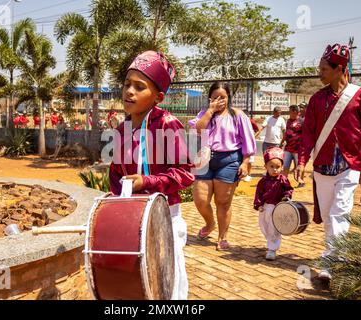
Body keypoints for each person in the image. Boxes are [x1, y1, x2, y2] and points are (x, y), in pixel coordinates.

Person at [109, 51, 194, 300]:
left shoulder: (167, 124)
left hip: (165, 215)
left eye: (139, 86)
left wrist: (147, 181)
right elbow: (116, 173)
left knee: (168, 282)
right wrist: (115, 199)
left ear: (158, 97)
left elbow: (185, 173)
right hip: (132, 216)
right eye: (127, 85)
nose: (129, 92)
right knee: (139, 281)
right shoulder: (122, 129)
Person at [296, 43, 361, 280]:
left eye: (323, 69)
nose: (319, 73)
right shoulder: (316, 99)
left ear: (339, 69)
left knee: (339, 212)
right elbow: (308, 133)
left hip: (349, 165)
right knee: (331, 214)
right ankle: (337, 256)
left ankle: (331, 260)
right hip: (322, 166)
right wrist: (302, 161)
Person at [188, 81, 256, 251]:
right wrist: (210, 111)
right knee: (200, 200)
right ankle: (210, 224)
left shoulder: (238, 115)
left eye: (223, 97)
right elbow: (198, 129)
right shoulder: (204, 113)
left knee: (223, 202)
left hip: (229, 160)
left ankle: (222, 237)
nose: (219, 100)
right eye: (215, 97)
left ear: (228, 98)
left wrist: (246, 162)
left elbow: (248, 140)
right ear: (210, 98)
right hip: (204, 159)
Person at [254, 147, 293, 260]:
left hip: (276, 207)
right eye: (272, 166)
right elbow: (259, 193)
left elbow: (288, 189)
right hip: (265, 207)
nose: (275, 169)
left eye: (278, 167)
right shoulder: (263, 181)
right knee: (264, 226)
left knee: (273, 227)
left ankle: (272, 249)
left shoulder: (283, 180)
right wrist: (259, 204)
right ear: (265, 166)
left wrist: (286, 197)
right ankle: (270, 240)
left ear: (282, 167)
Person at [280, 105, 305, 187]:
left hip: (298, 149)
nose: (290, 113)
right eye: (289, 112)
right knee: (285, 165)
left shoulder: (302, 121)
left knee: (299, 166)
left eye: (292, 112)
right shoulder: (288, 121)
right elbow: (286, 133)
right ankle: (284, 181)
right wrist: (282, 142)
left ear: (296, 112)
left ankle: (301, 181)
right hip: (288, 148)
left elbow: (306, 135)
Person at [243, 114, 260, 182]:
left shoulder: (251, 122)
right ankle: (243, 174)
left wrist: (253, 138)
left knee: (250, 160)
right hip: (242, 143)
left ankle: (248, 175)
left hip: (250, 143)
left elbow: (258, 130)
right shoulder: (239, 121)